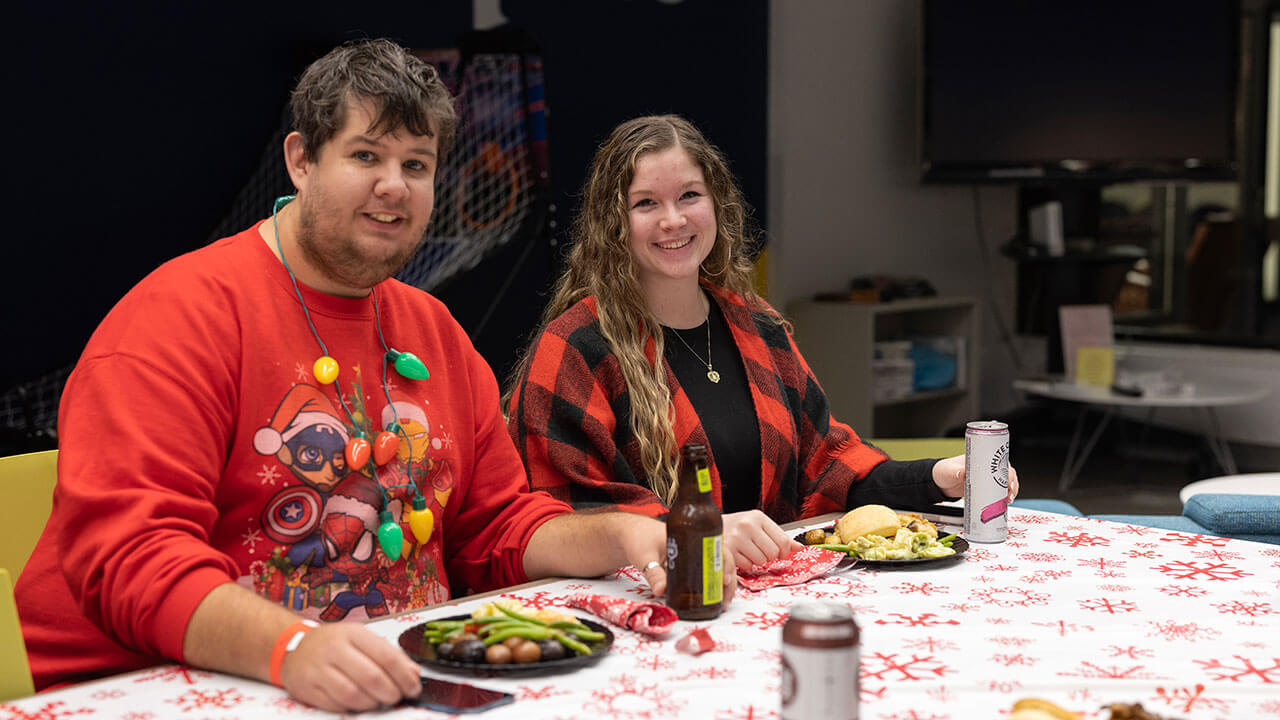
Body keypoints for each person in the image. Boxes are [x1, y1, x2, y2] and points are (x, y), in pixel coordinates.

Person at [15, 42, 729, 712]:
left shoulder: (434, 331)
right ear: (300, 161)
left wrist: (630, 537)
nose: (395, 186)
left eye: (417, 165)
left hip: (377, 684)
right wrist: (291, 647)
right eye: (366, 155)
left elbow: (498, 528)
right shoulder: (178, 316)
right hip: (142, 689)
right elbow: (130, 557)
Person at [506, 115, 1017, 568]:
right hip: (646, 605)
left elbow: (828, 468)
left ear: (716, 203)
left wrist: (938, 478)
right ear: (613, 224)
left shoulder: (758, 327)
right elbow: (561, 521)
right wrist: (695, 537)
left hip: (762, 597)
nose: (673, 220)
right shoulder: (575, 346)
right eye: (645, 203)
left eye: (689, 195)